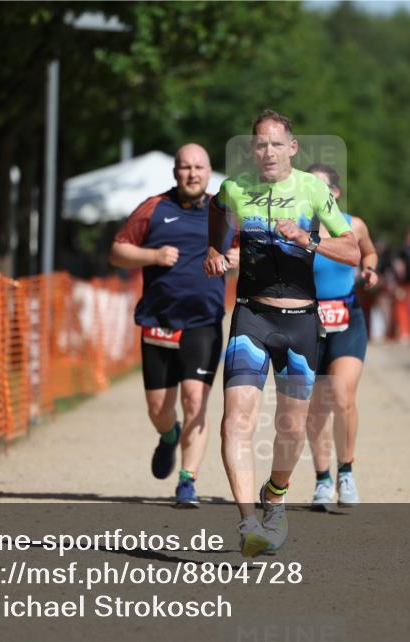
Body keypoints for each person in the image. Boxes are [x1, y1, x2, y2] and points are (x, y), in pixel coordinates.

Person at [204, 110, 360, 557]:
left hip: (300, 323)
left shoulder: (312, 190)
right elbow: (217, 211)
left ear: (292, 148)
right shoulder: (236, 188)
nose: (268, 152)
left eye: (277, 144)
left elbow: (349, 249)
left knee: (291, 425)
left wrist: (307, 240)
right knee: (235, 419)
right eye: (260, 145)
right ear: (252, 149)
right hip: (252, 317)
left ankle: (275, 495)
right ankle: (248, 522)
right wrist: (216, 248)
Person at [109, 143, 237, 507]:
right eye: (185, 167)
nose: (192, 173)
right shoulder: (153, 208)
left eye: (199, 167)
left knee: (195, 398)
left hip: (204, 322)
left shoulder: (224, 212)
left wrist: (228, 256)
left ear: (209, 171)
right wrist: (153, 255)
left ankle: (187, 480)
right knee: (158, 410)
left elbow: (250, 250)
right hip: (159, 320)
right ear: (175, 172)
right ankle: (168, 437)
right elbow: (117, 250)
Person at [302, 163, 379, 510]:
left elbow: (370, 251)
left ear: (334, 193)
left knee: (343, 394)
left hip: (347, 318)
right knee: (317, 407)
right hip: (307, 323)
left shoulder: (354, 224)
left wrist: (369, 268)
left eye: (320, 188)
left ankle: (346, 471)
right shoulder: (296, 228)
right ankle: (322, 480)